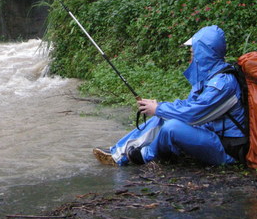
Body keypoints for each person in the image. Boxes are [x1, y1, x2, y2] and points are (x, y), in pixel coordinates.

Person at [93, 25, 247, 166]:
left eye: (193, 52)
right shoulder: (208, 78)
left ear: (204, 53)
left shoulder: (224, 84)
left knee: (172, 127)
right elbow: (189, 105)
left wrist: (159, 108)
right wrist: (158, 107)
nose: (190, 56)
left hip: (228, 149)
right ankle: (117, 153)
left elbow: (194, 115)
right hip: (211, 136)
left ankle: (144, 155)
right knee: (161, 116)